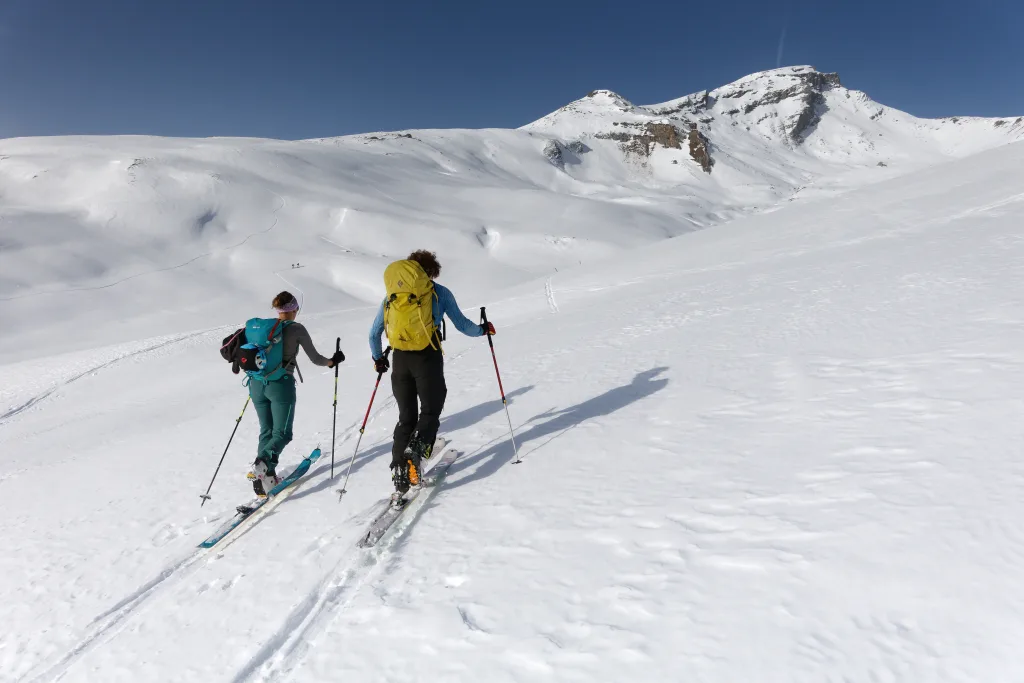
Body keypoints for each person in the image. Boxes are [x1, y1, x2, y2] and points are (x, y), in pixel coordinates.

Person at [368, 250, 495, 495]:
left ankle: (400, 473)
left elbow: (373, 333)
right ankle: (415, 454)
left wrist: (378, 360)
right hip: (427, 356)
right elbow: (463, 325)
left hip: (400, 360)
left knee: (406, 417)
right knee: (431, 409)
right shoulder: (439, 292)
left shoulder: (392, 297)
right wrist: (483, 330)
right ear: (431, 271)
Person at [245, 291, 345, 496]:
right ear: (293, 309)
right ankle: (262, 463)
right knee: (282, 434)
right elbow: (316, 358)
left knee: (267, 431)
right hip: (280, 384)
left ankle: (267, 478)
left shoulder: (263, 329)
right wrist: (333, 361)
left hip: (256, 385)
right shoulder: (296, 329)